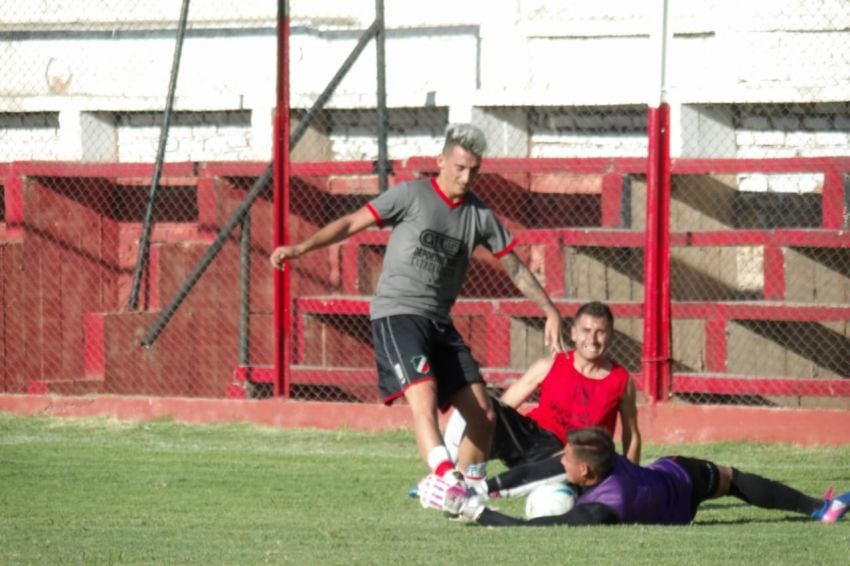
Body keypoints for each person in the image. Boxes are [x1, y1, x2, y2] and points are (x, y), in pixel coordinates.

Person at [270, 124, 565, 486]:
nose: (466, 176)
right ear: (441, 161)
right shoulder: (410, 196)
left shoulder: (481, 217)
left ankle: (471, 487)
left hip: (439, 322)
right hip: (399, 314)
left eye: (474, 169)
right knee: (423, 397)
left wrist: (549, 309)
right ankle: (445, 480)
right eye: (459, 167)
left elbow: (516, 268)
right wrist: (301, 248)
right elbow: (351, 222)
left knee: (484, 413)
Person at [418, 427, 850, 526]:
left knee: (732, 478)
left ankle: (819, 508)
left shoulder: (603, 511)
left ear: (585, 472)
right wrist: (485, 486)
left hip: (673, 498)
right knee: (731, 479)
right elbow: (546, 468)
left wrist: (474, 510)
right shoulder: (602, 457)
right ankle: (820, 508)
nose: (560, 460)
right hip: (680, 476)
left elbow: (531, 529)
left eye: (566, 459)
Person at [443, 301, 640, 482]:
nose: (592, 339)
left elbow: (631, 435)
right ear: (573, 333)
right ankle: (449, 477)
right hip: (530, 438)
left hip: (569, 457)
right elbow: (503, 406)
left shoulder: (621, 380)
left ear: (611, 335)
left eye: (600, 332)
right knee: (478, 406)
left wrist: (631, 479)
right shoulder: (550, 365)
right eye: (586, 330)